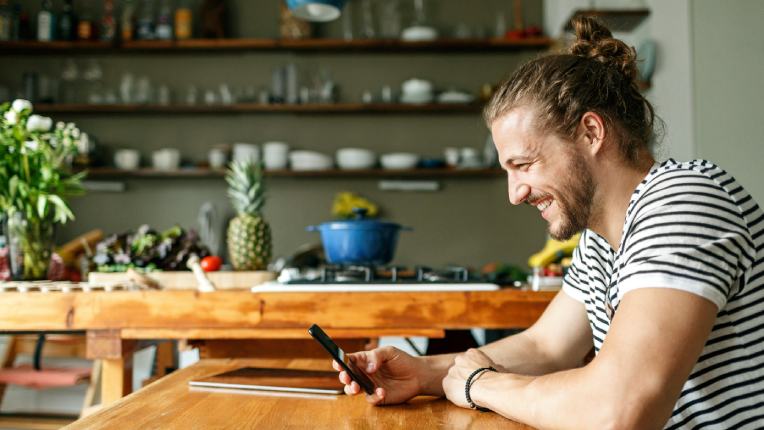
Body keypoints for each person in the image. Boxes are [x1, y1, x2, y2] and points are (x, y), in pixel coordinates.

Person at [333, 16, 764, 429]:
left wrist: (481, 385)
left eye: (524, 164)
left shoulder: (685, 201)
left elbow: (617, 412)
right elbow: (546, 346)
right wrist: (425, 372)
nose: (514, 193)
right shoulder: (602, 238)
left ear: (591, 133)